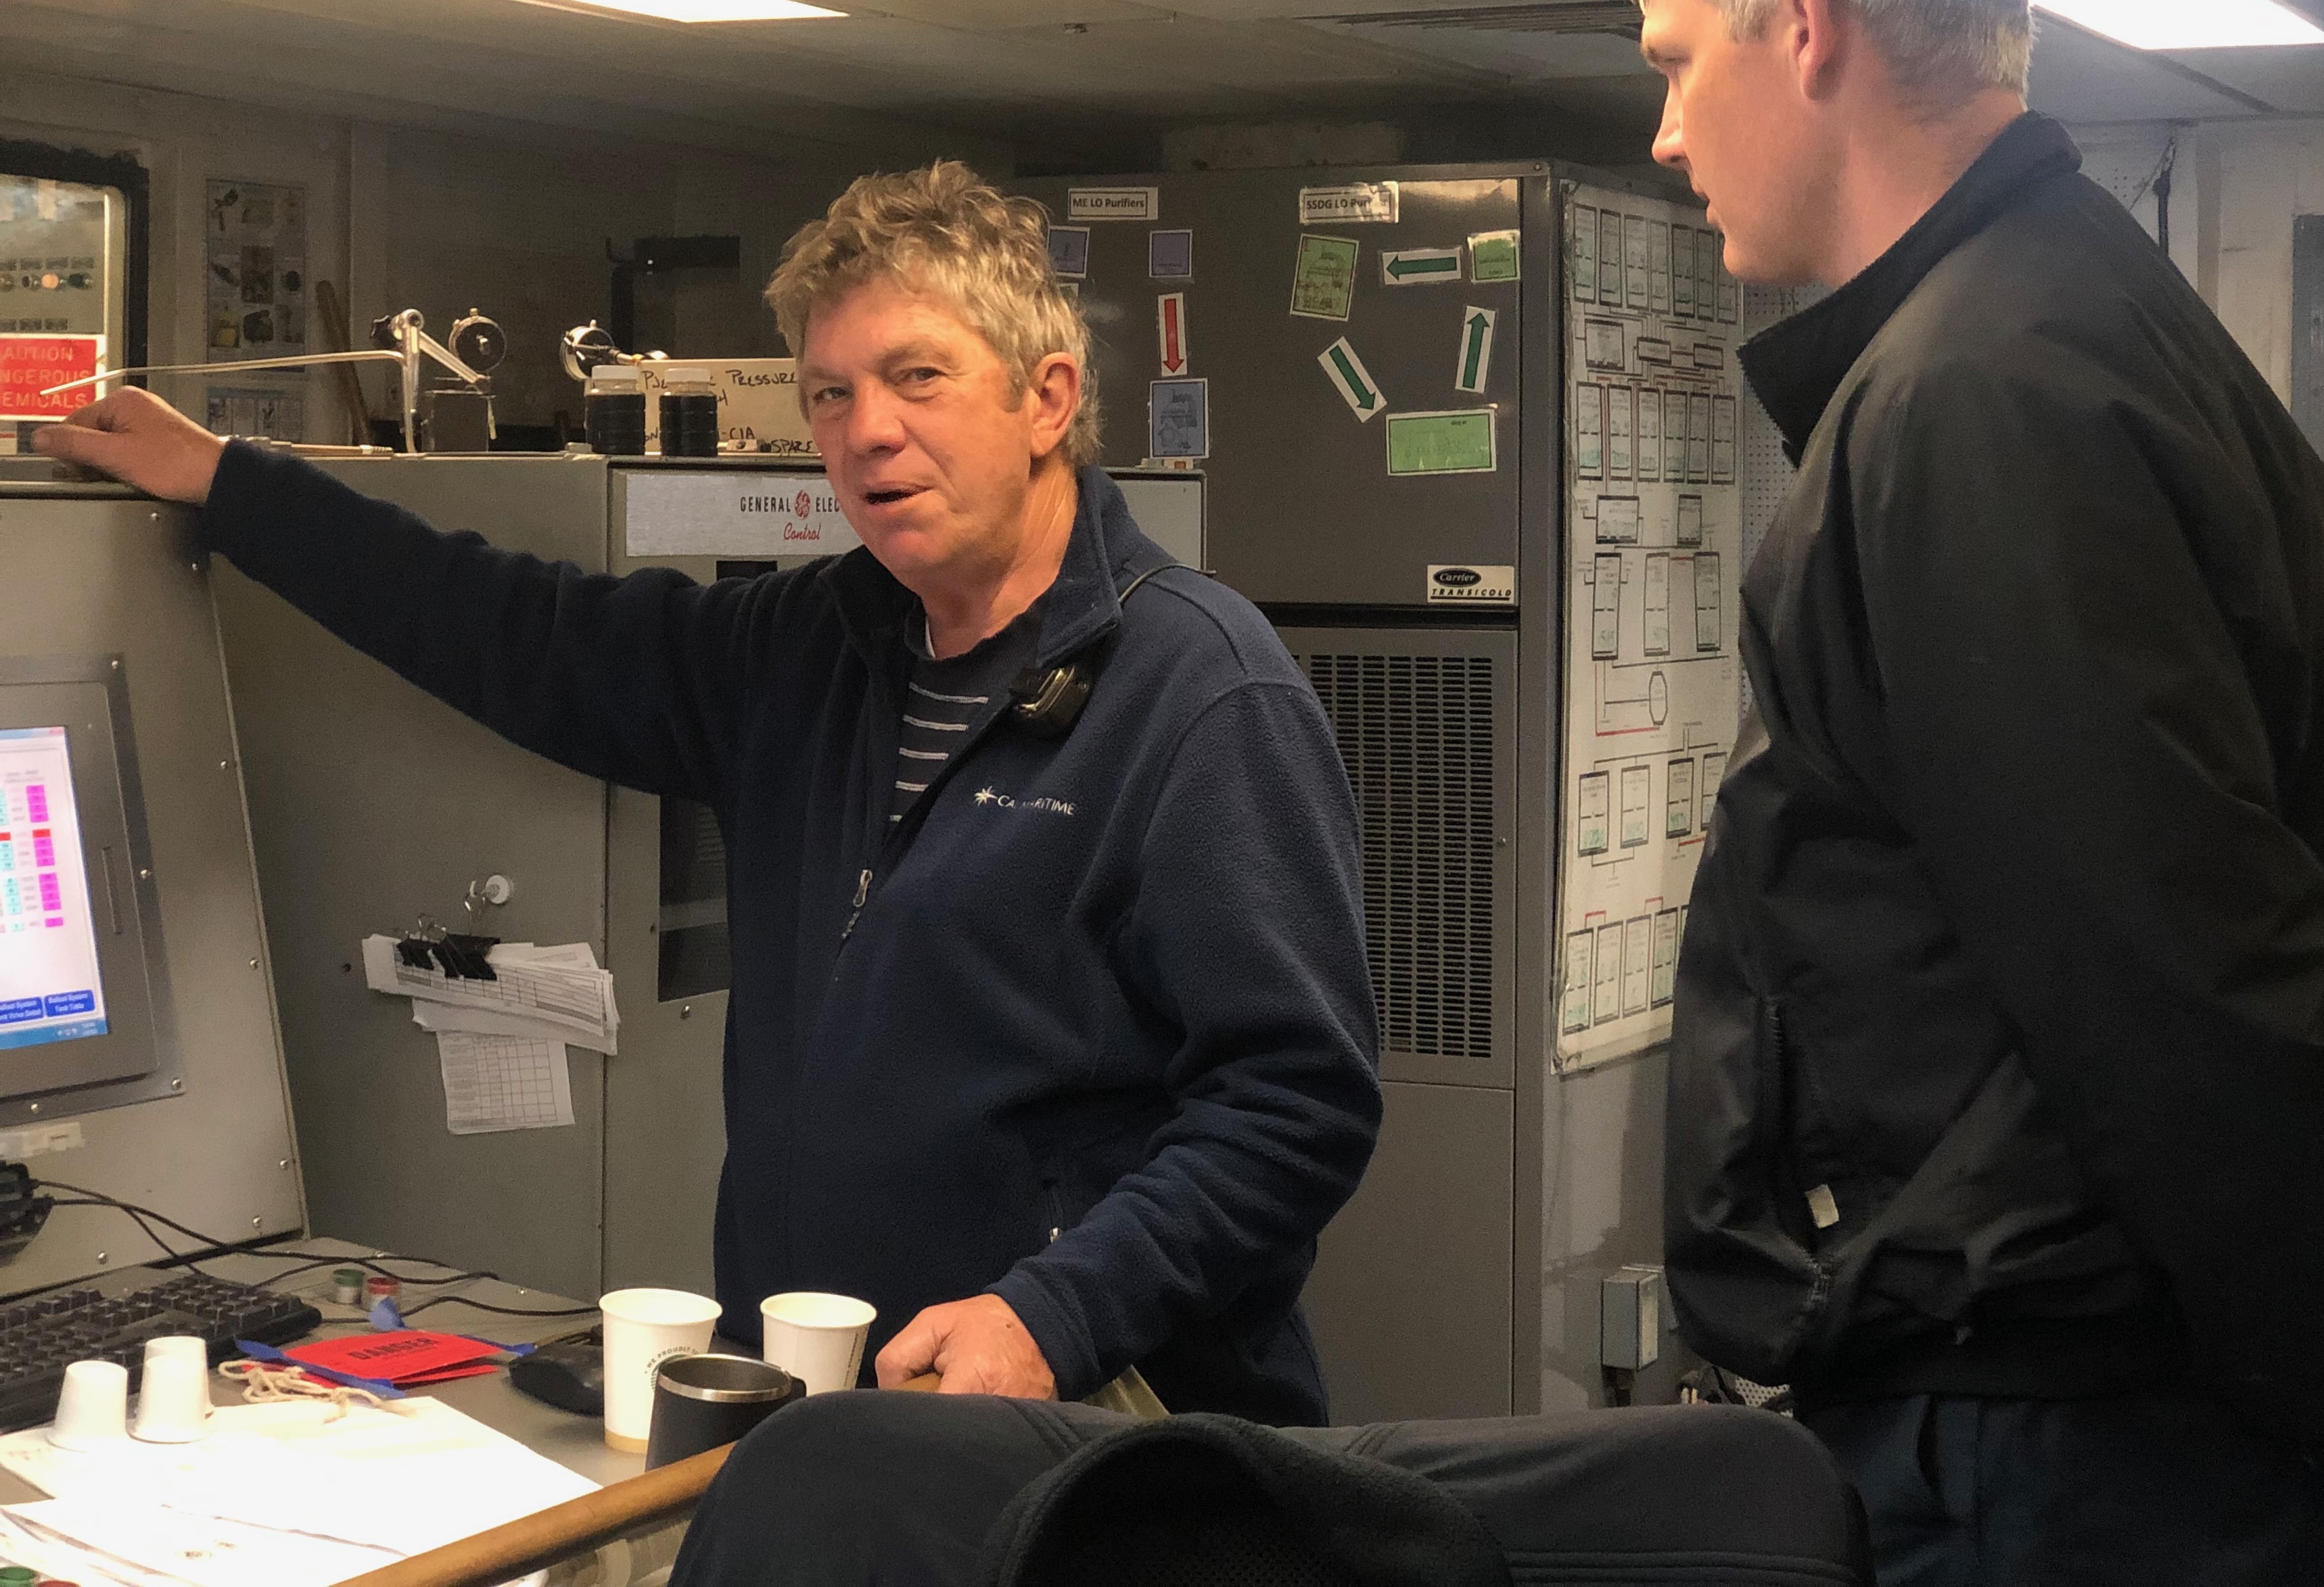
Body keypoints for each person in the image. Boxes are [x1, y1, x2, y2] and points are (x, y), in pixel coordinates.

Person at [1610, 0, 2324, 1586]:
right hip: (2127, 1409)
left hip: (2070, 1451)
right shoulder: (2081, 323)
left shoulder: (1975, 398)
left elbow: (2186, 976)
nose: (1667, 129)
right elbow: (2316, 902)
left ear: (1803, 20)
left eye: (1674, 55)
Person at [39, 163, 1382, 1423]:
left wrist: (1057, 1315)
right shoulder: (807, 651)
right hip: (830, 1410)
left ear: (1044, 398)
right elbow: (522, 632)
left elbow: (1297, 1103)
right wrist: (230, 485)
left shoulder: (1201, 693)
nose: (872, 433)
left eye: (917, 378)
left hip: (1099, 1427)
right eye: (832, 395)